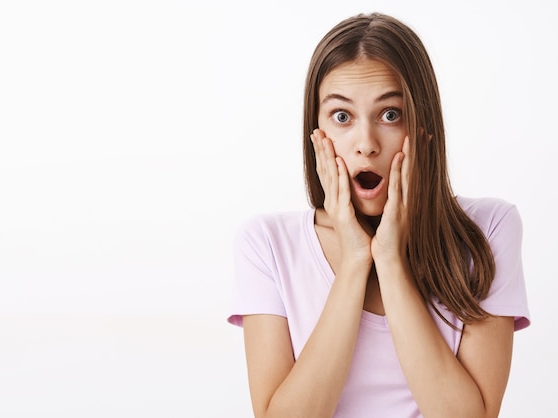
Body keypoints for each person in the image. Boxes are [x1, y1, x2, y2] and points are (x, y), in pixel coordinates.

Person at [226, 12, 530, 418]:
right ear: (315, 133)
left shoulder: (489, 228)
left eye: (391, 114)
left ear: (424, 127)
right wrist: (355, 261)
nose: (365, 144)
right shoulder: (267, 244)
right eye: (341, 117)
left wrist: (389, 259)